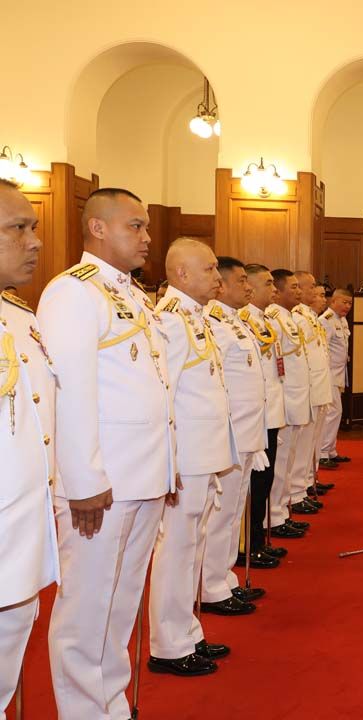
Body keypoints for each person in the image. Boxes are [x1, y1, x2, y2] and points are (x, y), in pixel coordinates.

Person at [38, 187, 174, 720]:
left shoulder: (132, 295)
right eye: (135, 226)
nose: (147, 237)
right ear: (97, 228)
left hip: (142, 474)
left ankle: (109, 705)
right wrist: (83, 480)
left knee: (120, 605)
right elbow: (70, 390)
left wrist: (168, 463)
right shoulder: (74, 292)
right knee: (87, 609)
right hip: (102, 483)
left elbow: (153, 386)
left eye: (146, 227)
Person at [148, 238, 238, 677]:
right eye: (210, 268)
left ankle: (186, 630)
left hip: (204, 454)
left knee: (192, 547)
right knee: (177, 550)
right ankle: (168, 644)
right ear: (181, 274)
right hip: (187, 457)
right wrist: (171, 460)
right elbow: (162, 395)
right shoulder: (169, 320)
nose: (217, 277)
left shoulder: (194, 316)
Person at [0, 179, 59, 714]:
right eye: (18, 228)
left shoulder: (21, 318)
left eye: (33, 227)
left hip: (20, 532)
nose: (35, 241)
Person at [199, 256, 272, 615]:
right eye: (241, 280)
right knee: (221, 514)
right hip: (228, 436)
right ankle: (210, 586)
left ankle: (224, 578)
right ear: (222, 285)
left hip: (246, 432)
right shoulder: (213, 322)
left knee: (231, 514)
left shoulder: (235, 321)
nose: (247, 287)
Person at [241, 264, 297, 555]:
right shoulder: (243, 321)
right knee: (255, 484)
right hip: (256, 417)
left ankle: (258, 538)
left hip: (271, 413)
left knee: (265, 480)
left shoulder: (264, 320)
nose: (273, 289)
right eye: (267, 284)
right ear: (249, 286)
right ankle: (249, 544)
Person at [267, 270, 316, 531]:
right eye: (293, 287)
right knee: (280, 462)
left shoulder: (288, 318)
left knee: (288, 459)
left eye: (299, 287)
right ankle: (274, 516)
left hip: (296, 398)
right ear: (278, 291)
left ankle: (283, 509)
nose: (298, 292)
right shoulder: (274, 320)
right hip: (284, 401)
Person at [291, 271, 334, 497]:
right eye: (311, 286)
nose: (316, 290)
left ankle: (309, 480)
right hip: (308, 390)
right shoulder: (297, 317)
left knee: (312, 441)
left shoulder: (309, 316)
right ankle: (299, 489)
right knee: (302, 444)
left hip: (319, 387)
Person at [319, 287, 353, 467]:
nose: (347, 306)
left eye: (350, 303)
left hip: (339, 374)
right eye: (344, 302)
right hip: (329, 374)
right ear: (333, 301)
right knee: (332, 413)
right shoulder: (325, 321)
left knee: (335, 413)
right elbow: (322, 349)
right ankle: (323, 453)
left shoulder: (342, 320)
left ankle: (331, 450)